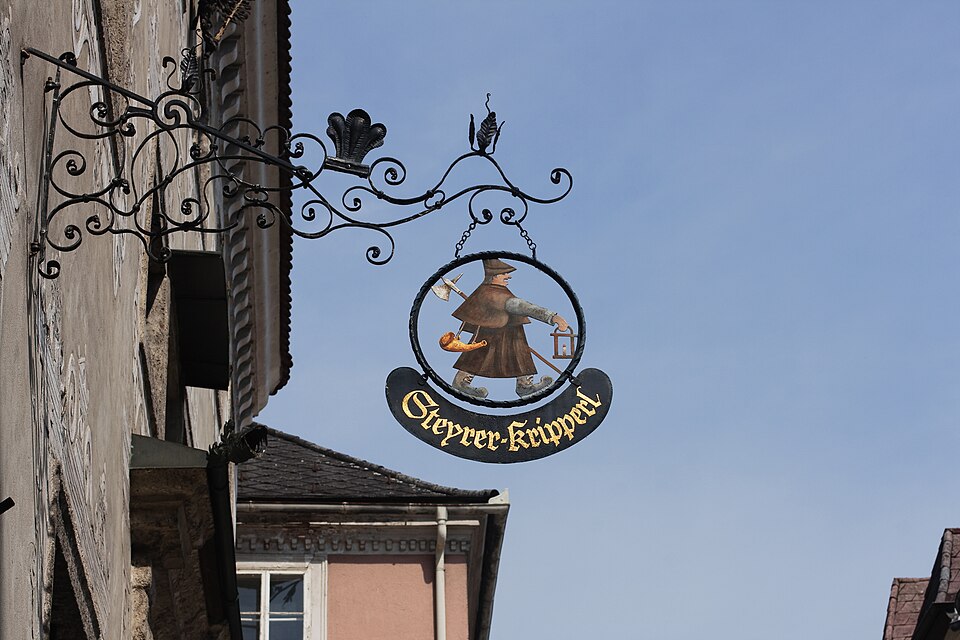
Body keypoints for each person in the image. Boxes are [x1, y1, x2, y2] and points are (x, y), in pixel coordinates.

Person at [450, 258, 568, 398]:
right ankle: (461, 383)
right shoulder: (495, 294)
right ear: (494, 276)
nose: (508, 276)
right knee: (477, 355)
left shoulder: (493, 290)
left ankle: (524, 385)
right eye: (504, 273)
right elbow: (522, 306)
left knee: (520, 353)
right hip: (491, 333)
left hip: (509, 332)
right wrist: (552, 317)